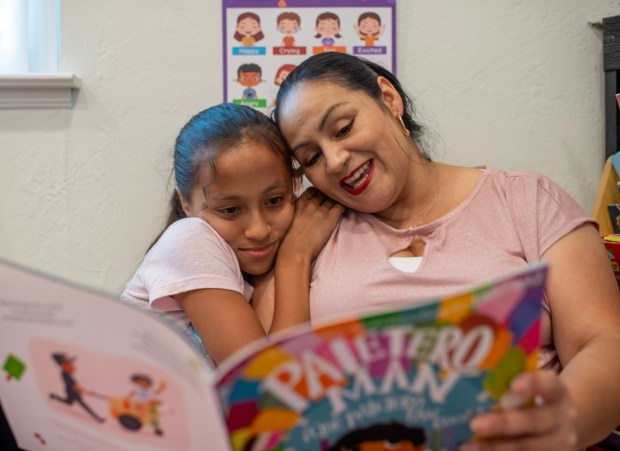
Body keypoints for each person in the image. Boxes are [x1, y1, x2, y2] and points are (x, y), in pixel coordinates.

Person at [272, 52, 620, 450]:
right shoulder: (309, 234)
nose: (334, 162)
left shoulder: (526, 201)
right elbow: (280, 393)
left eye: (343, 127)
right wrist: (294, 256)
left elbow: (604, 344)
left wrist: (560, 420)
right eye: (311, 158)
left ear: (388, 98)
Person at [121, 103, 343, 369]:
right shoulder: (189, 239)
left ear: (294, 185)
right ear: (186, 202)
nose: (259, 230)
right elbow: (268, 386)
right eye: (230, 210)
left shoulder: (249, 263)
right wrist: (294, 257)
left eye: (274, 200)